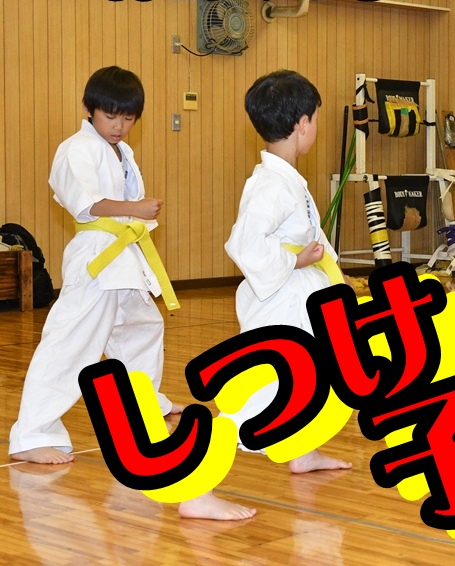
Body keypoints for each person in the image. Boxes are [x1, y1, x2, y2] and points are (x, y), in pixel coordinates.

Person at [178, 70, 352, 520]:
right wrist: (296, 261)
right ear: (302, 123)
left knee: (315, 380)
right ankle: (195, 487)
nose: (316, 126)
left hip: (300, 299)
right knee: (260, 400)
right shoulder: (270, 185)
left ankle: (302, 450)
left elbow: (309, 238)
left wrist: (335, 273)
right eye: (316, 118)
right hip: (279, 306)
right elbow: (245, 245)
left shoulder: (287, 178)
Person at [8, 67, 184, 465]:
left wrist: (134, 213)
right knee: (73, 342)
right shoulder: (77, 149)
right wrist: (135, 208)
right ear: (89, 109)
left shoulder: (122, 151)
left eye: (128, 118)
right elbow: (85, 204)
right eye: (110, 116)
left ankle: (143, 407)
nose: (119, 126)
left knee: (142, 328)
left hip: (124, 256)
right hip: (96, 257)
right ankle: (32, 432)